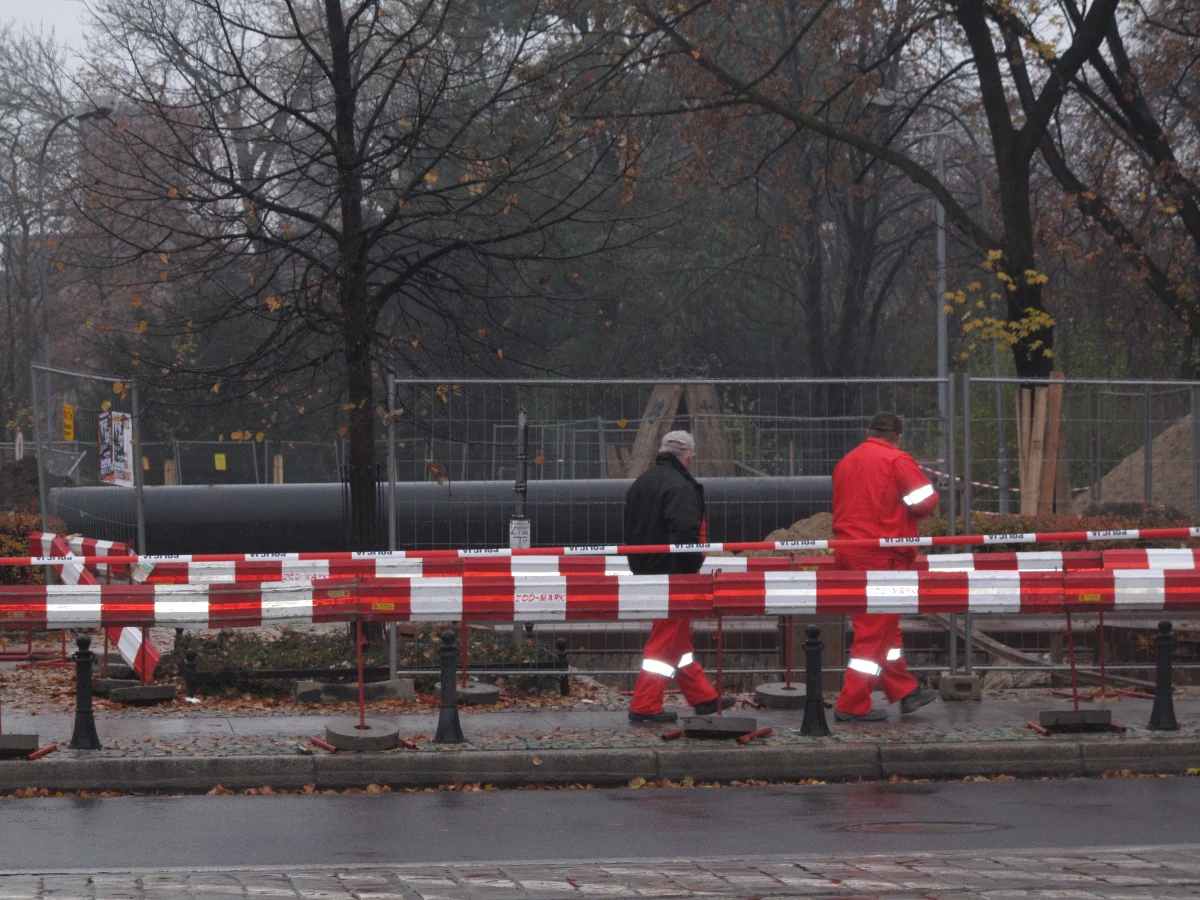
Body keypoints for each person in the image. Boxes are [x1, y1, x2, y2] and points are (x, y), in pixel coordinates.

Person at [832, 412, 939, 722]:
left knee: (884, 630)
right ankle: (852, 703)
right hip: (882, 555)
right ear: (898, 437)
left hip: (849, 553)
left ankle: (905, 691)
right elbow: (925, 503)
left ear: (869, 431)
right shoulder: (896, 460)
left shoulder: (846, 462)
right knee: (874, 634)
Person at [624, 430, 736, 723]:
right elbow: (685, 534)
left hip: (647, 570)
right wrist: (689, 569)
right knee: (665, 640)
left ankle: (703, 697)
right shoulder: (681, 487)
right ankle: (644, 705)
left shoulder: (642, 482)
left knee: (678, 640)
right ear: (689, 456)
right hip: (674, 576)